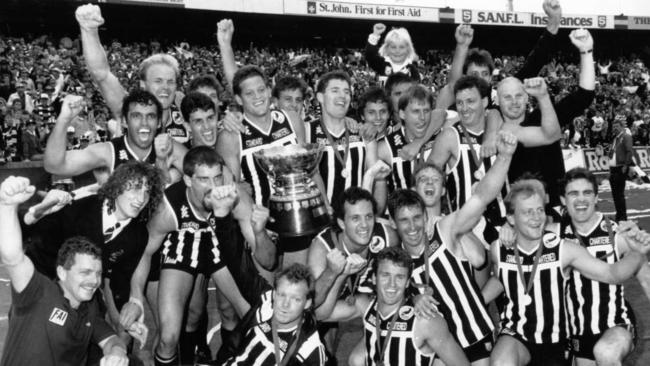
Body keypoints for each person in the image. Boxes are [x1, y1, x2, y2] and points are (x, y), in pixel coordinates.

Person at [120, 146, 270, 366]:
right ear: (188, 180)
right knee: (168, 337)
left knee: (253, 318)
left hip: (220, 246)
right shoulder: (168, 206)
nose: (213, 187)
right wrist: (135, 296)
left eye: (217, 178)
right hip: (183, 244)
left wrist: (261, 234)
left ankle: (228, 361)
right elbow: (145, 252)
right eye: (204, 180)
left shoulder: (236, 198)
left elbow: (265, 257)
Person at [482, 178, 650, 366]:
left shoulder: (571, 246)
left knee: (606, 353)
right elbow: (502, 277)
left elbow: (614, 274)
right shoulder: (504, 247)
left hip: (581, 333)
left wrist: (637, 253)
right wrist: (475, 302)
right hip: (539, 333)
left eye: (540, 210)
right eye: (528, 212)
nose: (536, 217)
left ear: (596, 198)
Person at [398, 130, 517, 365]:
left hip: (473, 334)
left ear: (443, 190)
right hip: (438, 341)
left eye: (435, 179)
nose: (430, 183)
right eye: (423, 179)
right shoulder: (402, 235)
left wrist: (504, 157)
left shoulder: (450, 225)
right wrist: (412, 297)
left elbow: (481, 198)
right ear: (413, 191)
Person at [24, 161, 164, 343]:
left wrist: (129, 317)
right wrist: (40, 211)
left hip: (81, 291)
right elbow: (27, 231)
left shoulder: (137, 235)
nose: (141, 198)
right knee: (35, 343)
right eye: (135, 188)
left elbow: (118, 283)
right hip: (41, 281)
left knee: (90, 340)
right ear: (118, 186)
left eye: (147, 191)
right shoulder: (77, 208)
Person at [0, 175, 129, 366]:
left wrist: (117, 352)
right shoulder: (39, 292)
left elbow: (111, 339)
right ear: (61, 272)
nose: (94, 280)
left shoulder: (88, 308)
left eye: (97, 273)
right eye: (84, 272)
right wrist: (7, 206)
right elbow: (12, 256)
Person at [492, 28, 596, 210]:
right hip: (520, 215)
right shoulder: (492, 129)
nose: (514, 102)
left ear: (526, 97)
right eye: (507, 97)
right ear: (497, 101)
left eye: (519, 95)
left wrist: (586, 52)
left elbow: (584, 96)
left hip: (556, 211)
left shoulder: (544, 116)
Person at [318, 246, 469, 366]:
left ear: (408, 282)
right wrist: (341, 275)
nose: (392, 284)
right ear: (374, 278)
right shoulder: (366, 306)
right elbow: (321, 315)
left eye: (399, 277)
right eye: (385, 275)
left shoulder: (425, 320)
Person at [559, 168, 650, 365]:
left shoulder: (618, 233)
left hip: (615, 324)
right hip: (578, 333)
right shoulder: (555, 237)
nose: (581, 199)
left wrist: (640, 249)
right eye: (573, 193)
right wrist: (509, 228)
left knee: (606, 353)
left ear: (596, 197)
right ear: (562, 200)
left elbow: (646, 279)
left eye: (587, 193)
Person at [75, 4, 192, 144]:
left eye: (170, 81)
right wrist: (89, 30)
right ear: (143, 84)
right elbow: (101, 74)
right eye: (158, 81)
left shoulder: (186, 116)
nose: (165, 87)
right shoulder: (128, 107)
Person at [43, 90, 186, 186]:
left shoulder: (170, 147)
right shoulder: (107, 152)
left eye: (151, 116)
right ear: (124, 121)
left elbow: (204, 172)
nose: (144, 123)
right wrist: (63, 119)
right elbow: (54, 166)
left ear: (159, 122)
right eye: (136, 116)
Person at [225, 264, 328, 365]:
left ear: (307, 303)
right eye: (281, 295)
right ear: (274, 294)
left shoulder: (310, 349)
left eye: (296, 299)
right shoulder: (265, 306)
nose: (285, 304)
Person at [608, 116, 634, 221]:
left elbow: (629, 151)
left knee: (619, 194)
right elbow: (613, 153)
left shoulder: (626, 136)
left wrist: (626, 165)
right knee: (615, 194)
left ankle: (623, 217)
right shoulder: (615, 138)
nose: (615, 129)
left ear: (622, 127)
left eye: (617, 126)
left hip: (620, 168)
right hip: (613, 169)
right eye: (614, 127)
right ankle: (619, 215)